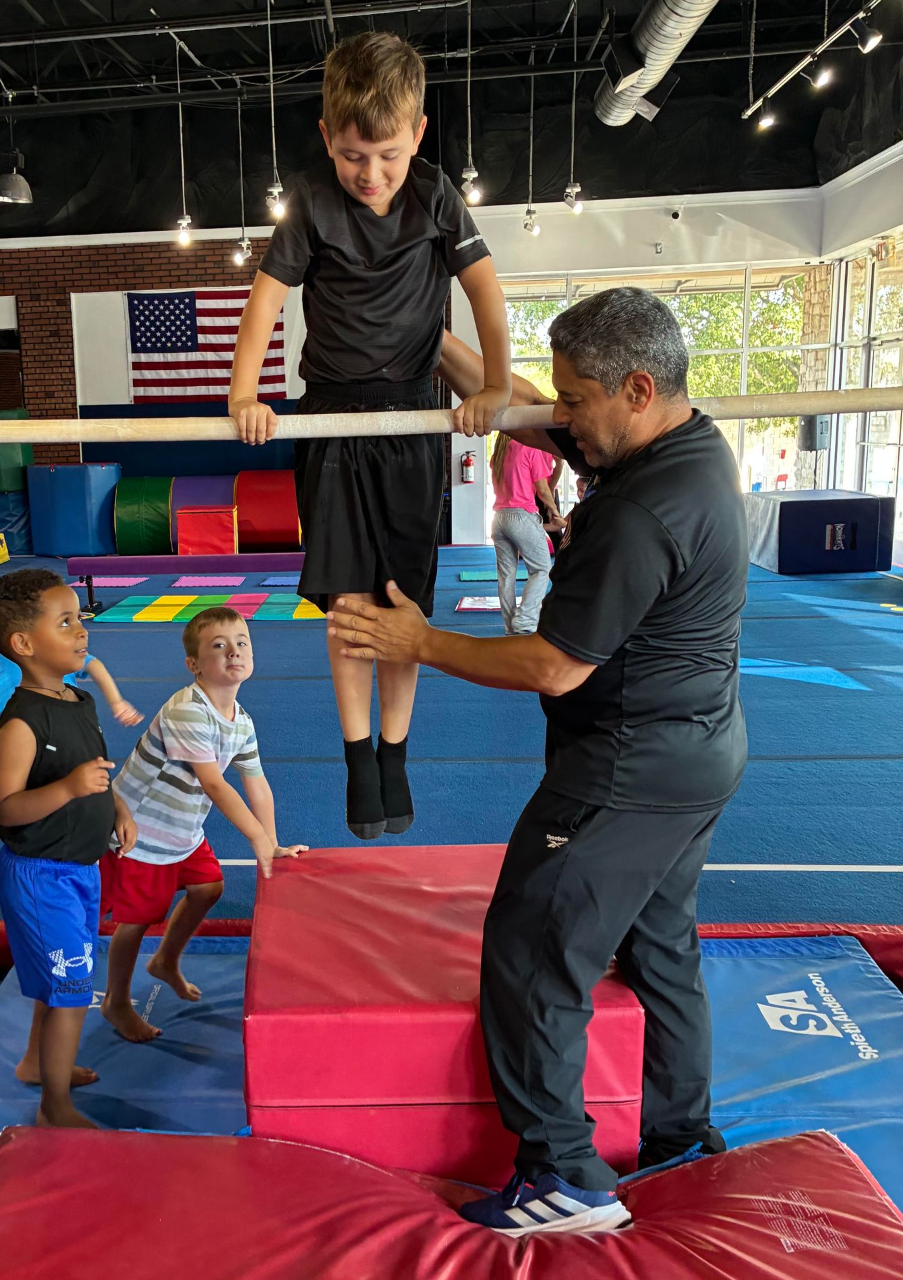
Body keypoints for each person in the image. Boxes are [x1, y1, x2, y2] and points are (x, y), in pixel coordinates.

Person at [329, 287, 748, 1235]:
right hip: (699, 754)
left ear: (636, 388)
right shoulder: (687, 442)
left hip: (625, 771)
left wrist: (418, 641)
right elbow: (517, 398)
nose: (558, 417)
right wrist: (420, 331)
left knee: (528, 949)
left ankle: (563, 1174)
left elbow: (553, 666)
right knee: (657, 945)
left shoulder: (643, 509)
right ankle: (678, 1135)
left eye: (575, 401)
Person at [228, 30, 513, 842]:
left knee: (402, 604)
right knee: (349, 603)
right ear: (327, 138)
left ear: (418, 134)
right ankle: (359, 757)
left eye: (387, 154)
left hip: (414, 416)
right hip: (332, 417)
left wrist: (493, 383)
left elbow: (488, 299)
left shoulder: (435, 199)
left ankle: (395, 750)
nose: (371, 174)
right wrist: (245, 395)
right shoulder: (312, 203)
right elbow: (264, 305)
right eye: (355, 155)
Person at [0, 568, 137, 1129]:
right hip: (40, 876)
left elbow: (95, 770)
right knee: (70, 987)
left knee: (58, 976)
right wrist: (68, 790)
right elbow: (6, 807)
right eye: (65, 622)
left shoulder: (78, 701)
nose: (81, 631)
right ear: (24, 644)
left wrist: (116, 808)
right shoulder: (20, 722)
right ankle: (55, 1107)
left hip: (78, 870)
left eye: (79, 619)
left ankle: (34, 1065)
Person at [101, 608, 306, 1042]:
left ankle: (165, 960)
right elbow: (213, 784)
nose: (234, 651)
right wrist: (255, 838)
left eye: (242, 643)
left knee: (208, 887)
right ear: (193, 665)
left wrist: (273, 842)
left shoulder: (241, 721)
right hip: (142, 831)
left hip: (182, 830)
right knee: (137, 920)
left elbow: (257, 784)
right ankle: (116, 1001)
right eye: (219, 646)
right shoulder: (187, 710)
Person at [0, 651, 142, 768]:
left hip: (79, 733)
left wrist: (116, 701)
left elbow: (91, 662)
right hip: (50, 748)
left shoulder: (54, 649)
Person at [488, 433, 562, 636]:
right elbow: (543, 491)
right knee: (542, 568)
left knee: (506, 576)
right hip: (521, 516)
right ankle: (525, 618)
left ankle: (511, 626)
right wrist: (555, 512)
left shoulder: (498, 454)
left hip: (499, 519)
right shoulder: (530, 449)